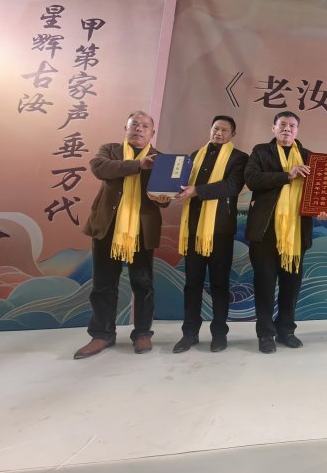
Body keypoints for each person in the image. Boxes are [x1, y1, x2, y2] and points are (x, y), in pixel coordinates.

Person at [74, 111, 170, 359]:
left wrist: (163, 198)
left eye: (144, 126)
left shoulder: (161, 160)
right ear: (125, 128)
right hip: (108, 227)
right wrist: (138, 165)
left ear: (152, 133)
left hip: (141, 229)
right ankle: (102, 334)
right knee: (103, 284)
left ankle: (142, 333)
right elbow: (99, 168)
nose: (139, 129)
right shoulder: (110, 150)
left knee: (143, 283)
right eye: (134, 125)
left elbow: (164, 199)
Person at [245, 112, 327, 354]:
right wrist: (287, 175)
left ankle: (286, 330)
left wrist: (323, 209)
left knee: (291, 284)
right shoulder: (261, 152)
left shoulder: (310, 157)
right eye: (282, 124)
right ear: (273, 128)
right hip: (265, 229)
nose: (287, 129)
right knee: (265, 283)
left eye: (292, 125)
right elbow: (251, 179)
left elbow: (321, 189)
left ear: (297, 131)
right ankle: (265, 333)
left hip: (296, 230)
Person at [173, 116, 248, 354]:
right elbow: (183, 183)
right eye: (216, 128)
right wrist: (170, 190)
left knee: (219, 284)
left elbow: (232, 186)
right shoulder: (195, 155)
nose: (219, 133)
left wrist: (197, 191)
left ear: (232, 135)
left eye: (225, 130)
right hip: (194, 229)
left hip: (220, 231)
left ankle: (219, 334)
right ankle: (189, 333)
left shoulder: (239, 158)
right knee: (191, 284)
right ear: (210, 130)